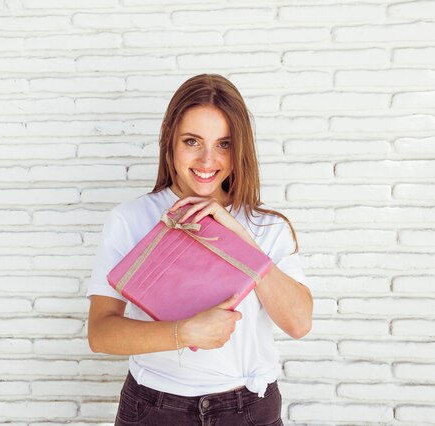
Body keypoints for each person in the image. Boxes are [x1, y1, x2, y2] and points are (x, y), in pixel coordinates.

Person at [86, 73, 313, 426]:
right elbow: (100, 334)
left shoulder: (267, 228)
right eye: (193, 141)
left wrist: (239, 234)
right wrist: (185, 332)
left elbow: (299, 324)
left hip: (249, 410)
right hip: (154, 409)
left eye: (224, 144)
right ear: (169, 139)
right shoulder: (129, 219)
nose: (208, 161)